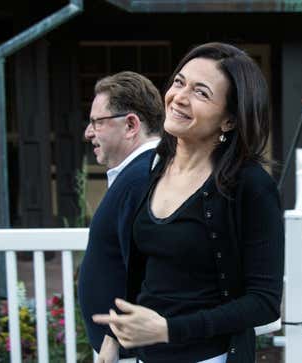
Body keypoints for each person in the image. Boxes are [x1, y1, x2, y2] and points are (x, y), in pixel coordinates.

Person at [93, 43, 284, 363]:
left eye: (201, 92)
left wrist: (169, 329)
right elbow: (143, 270)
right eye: (179, 82)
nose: (179, 97)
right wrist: (114, 337)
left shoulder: (251, 186)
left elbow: (263, 302)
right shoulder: (152, 169)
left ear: (230, 121)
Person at [77, 71, 163, 362]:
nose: (88, 133)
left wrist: (115, 337)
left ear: (130, 125)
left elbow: (150, 270)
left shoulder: (140, 178)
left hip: (132, 352)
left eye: (96, 122)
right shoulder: (138, 173)